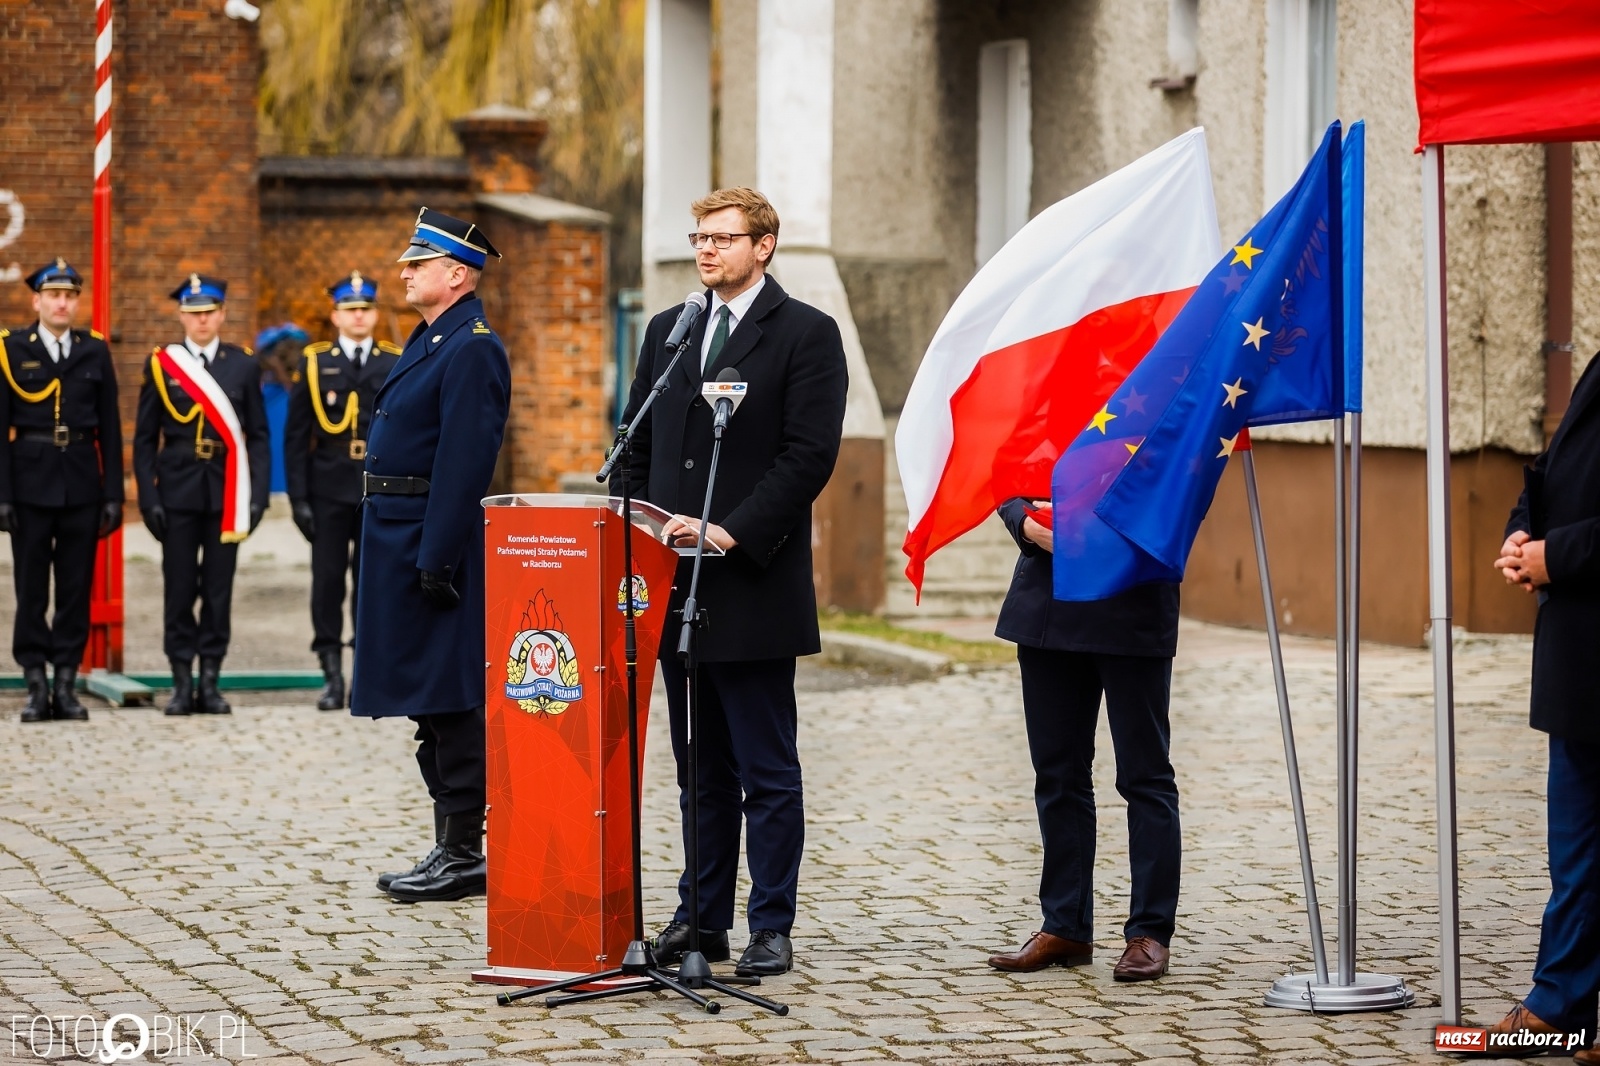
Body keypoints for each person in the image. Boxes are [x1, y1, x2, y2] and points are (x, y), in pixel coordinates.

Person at [616, 187, 848, 977]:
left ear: (765, 245)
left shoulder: (806, 336)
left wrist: (731, 528)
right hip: (674, 585)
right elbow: (641, 444)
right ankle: (701, 916)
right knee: (696, 767)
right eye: (699, 236)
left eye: (723, 237)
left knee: (764, 768)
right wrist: (643, 525)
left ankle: (770, 924)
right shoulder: (670, 332)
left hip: (749, 581)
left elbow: (808, 455)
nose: (706, 249)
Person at [352, 208, 509, 904]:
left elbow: (464, 463)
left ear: (456, 274)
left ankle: (464, 851)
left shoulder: (472, 346)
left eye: (418, 263)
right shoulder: (434, 338)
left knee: (448, 700)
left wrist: (437, 559)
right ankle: (452, 844)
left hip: (427, 541)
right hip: (396, 534)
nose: (406, 271)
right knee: (426, 701)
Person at [984, 497, 1182, 982]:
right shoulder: (1040, 416)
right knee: (1057, 775)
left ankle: (1150, 932)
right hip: (1049, 605)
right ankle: (1066, 927)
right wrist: (1027, 525)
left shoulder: (1155, 416)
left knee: (1145, 777)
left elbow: (1181, 481)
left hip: (1132, 595)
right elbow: (1007, 474)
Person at [1476, 349, 1600, 1059]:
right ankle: (1568, 1005)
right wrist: (1522, 533)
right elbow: (1554, 476)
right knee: (1578, 845)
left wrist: (1563, 554)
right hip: (1580, 656)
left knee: (1585, 844)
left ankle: (1557, 1005)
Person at [133, 275, 270, 717]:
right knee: (178, 590)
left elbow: (259, 436)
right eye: (193, 313)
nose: (202, 320)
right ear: (182, 317)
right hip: (175, 494)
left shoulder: (244, 365)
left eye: (209, 311)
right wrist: (148, 499)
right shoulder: (161, 365)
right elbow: (143, 438)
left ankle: (210, 680)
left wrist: (259, 496)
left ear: (223, 314)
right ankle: (180, 681)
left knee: (217, 590)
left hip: (227, 495)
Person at [0, 258, 123, 722]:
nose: (61, 303)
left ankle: (66, 683)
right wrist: (3, 495)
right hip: (29, 485)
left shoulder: (93, 350)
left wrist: (113, 493)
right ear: (36, 300)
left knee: (75, 589)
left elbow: (109, 427)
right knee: (31, 589)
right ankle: (36, 682)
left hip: (80, 486)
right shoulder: (11, 349)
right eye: (53, 295)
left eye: (69, 295)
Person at [285, 273, 401, 710]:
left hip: (376, 487)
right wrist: (298, 498)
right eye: (350, 309)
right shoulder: (315, 362)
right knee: (328, 582)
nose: (358, 316)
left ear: (374, 315)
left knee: (371, 582)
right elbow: (296, 437)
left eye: (366, 309)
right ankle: (331, 674)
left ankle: (365, 673)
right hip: (328, 487)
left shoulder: (393, 360)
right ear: (335, 315)